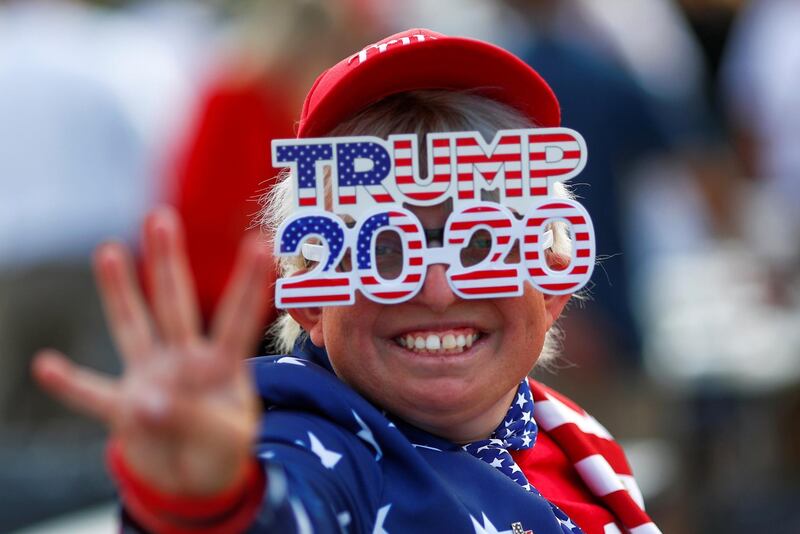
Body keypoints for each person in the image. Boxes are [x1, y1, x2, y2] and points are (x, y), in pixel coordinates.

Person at [32, 29, 660, 534]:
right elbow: (278, 505)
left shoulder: (573, 439)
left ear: (548, 276)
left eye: (479, 242)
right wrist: (204, 502)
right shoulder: (312, 450)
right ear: (308, 291)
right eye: (385, 248)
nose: (439, 291)